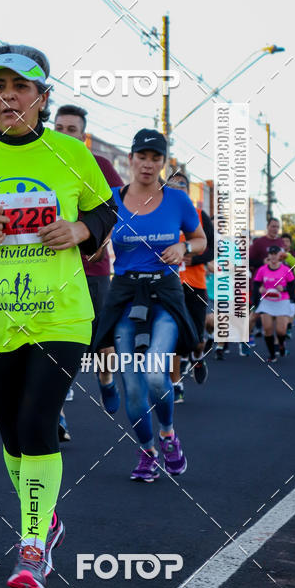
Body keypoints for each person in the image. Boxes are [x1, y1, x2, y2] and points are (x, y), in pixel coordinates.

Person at [0, 44, 117, 588]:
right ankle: (47, 517)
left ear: (43, 97)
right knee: (12, 435)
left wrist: (82, 231)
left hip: (60, 312)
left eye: (21, 86)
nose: (8, 95)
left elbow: (105, 208)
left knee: (37, 423)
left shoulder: (71, 155)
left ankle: (32, 549)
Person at [94, 129, 206, 483]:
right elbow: (93, 242)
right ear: (130, 159)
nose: (147, 164)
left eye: (155, 158)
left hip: (166, 293)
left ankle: (169, 435)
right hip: (126, 294)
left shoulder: (178, 201)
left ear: (163, 163)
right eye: (141, 157)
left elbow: (200, 239)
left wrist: (184, 249)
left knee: (158, 375)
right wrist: (93, 248)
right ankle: (147, 452)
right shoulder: (111, 200)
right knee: (134, 392)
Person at [53, 104, 124, 437]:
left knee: (103, 346)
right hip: (52, 269)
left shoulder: (100, 166)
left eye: (71, 129)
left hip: (94, 269)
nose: (64, 133)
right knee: (54, 344)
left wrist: (97, 244)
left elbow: (111, 212)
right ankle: (58, 417)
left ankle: (106, 380)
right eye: (59, 128)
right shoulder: (42, 164)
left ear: (83, 136)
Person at [167, 171, 214, 402]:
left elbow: (213, 249)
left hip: (196, 283)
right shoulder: (160, 213)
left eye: (181, 185)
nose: (176, 188)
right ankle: (176, 385)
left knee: (196, 339)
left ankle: (198, 355)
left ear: (187, 190)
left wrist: (192, 258)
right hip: (170, 285)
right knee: (173, 337)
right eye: (171, 184)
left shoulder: (199, 215)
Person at [252, 246, 295, 362]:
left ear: (279, 256)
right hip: (267, 301)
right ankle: (272, 355)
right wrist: (260, 290)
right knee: (267, 329)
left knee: (281, 331)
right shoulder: (262, 269)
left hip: (282, 301)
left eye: (275, 253)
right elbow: (256, 284)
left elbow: (292, 285)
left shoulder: (285, 269)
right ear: (268, 256)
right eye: (271, 253)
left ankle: (281, 344)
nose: (273, 256)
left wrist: (284, 288)